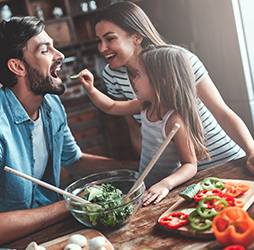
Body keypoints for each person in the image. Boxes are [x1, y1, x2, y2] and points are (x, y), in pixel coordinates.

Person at [0, 16, 138, 250]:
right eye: (45, 50)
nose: (59, 55)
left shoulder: (51, 104)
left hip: (49, 235)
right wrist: (70, 203)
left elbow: (74, 161)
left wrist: (139, 168)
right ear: (18, 66)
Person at [94, 1, 254, 180]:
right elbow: (136, 132)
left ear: (136, 36)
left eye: (110, 38)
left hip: (224, 161)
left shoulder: (181, 60)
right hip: (179, 178)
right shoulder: (112, 75)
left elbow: (222, 113)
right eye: (99, 40)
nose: (102, 48)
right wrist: (148, 176)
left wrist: (253, 152)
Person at [78, 44, 210, 205]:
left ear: (160, 83)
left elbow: (190, 165)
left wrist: (164, 185)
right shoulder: (145, 106)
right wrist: (91, 90)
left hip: (163, 194)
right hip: (146, 187)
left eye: (139, 75)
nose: (134, 80)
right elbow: (111, 106)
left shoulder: (173, 121)